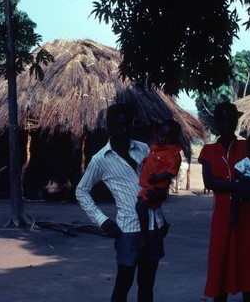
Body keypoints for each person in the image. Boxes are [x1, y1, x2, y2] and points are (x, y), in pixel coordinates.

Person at [76, 103, 168, 302]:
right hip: (128, 230)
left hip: (154, 227)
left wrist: (160, 195)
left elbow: (160, 181)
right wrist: (103, 221)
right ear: (109, 126)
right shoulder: (100, 159)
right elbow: (81, 191)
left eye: (128, 124)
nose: (124, 129)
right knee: (123, 284)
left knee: (147, 284)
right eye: (119, 125)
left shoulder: (143, 149)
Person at [198, 102, 250, 302]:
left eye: (230, 119)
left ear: (237, 121)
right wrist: (238, 186)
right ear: (215, 123)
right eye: (221, 119)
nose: (226, 123)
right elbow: (209, 181)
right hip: (222, 215)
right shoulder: (208, 150)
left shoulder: (249, 146)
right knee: (220, 262)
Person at [135, 119, 182, 249]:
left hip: (155, 185)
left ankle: (144, 234)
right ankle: (163, 225)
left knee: (141, 205)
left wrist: (159, 177)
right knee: (153, 206)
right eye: (161, 135)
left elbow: (172, 171)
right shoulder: (156, 147)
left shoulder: (173, 154)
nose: (163, 139)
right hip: (149, 182)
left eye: (168, 138)